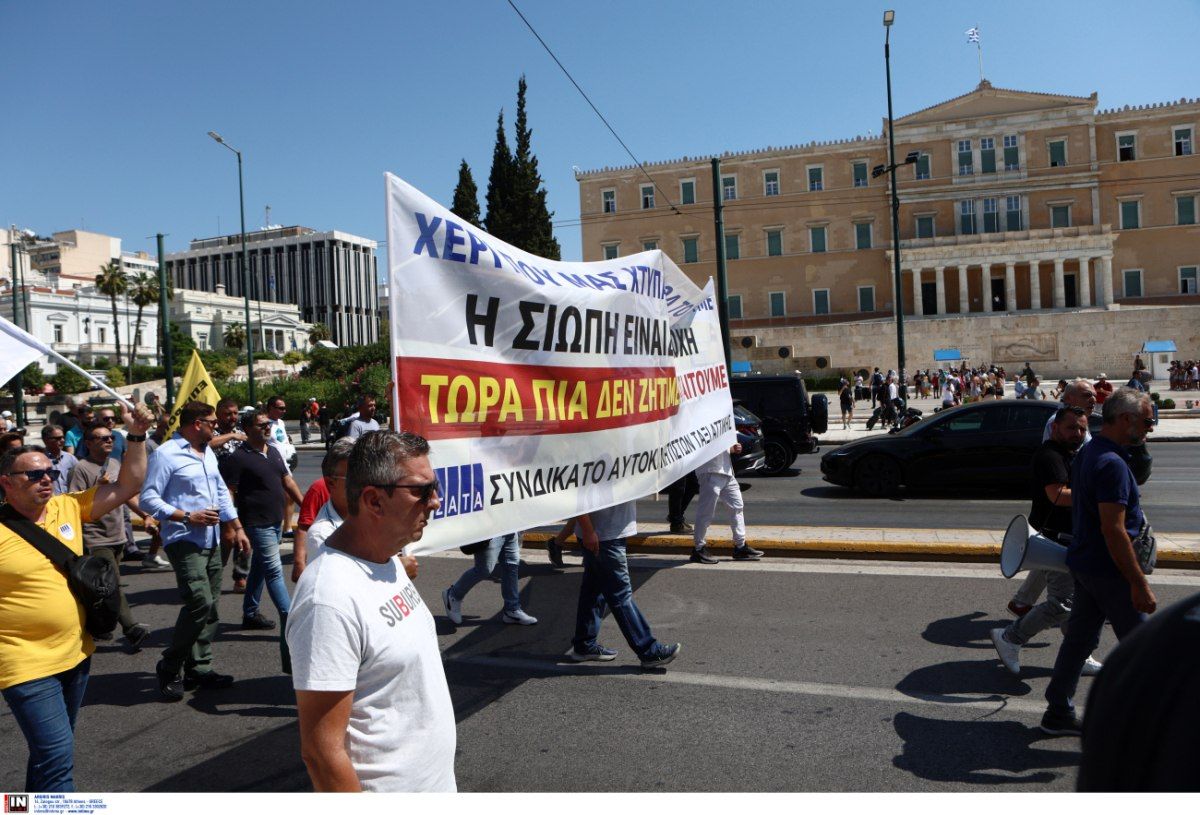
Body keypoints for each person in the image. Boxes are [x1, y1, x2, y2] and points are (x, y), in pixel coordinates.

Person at [288, 431, 456, 792]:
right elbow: (320, 751)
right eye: (421, 491)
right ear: (374, 501)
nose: (435, 502)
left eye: (434, 488)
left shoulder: (387, 557)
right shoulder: (328, 598)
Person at [0, 402, 152, 792]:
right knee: (57, 757)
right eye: (34, 475)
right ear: (6, 482)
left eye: (49, 472)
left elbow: (128, 486)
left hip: (76, 654)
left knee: (50, 754)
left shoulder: (67, 506)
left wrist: (134, 437)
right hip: (22, 662)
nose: (46, 479)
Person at [1040, 388, 1157, 736]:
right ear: (1126, 419)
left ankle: (1057, 711)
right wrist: (1138, 583)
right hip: (1110, 571)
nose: (1150, 429)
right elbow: (1114, 530)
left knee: (1078, 641)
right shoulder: (1112, 464)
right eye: (1148, 422)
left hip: (1087, 564)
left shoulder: (1092, 451)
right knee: (1144, 651)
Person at [140, 401, 251, 702]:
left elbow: (220, 493)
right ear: (196, 424)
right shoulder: (166, 454)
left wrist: (237, 527)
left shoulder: (208, 453)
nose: (217, 426)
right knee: (199, 601)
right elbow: (148, 499)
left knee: (211, 605)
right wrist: (187, 516)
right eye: (212, 422)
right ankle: (170, 665)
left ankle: (199, 668)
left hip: (211, 539)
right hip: (183, 537)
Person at [990, 408, 1102, 676]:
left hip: (1073, 539)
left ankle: (1080, 653)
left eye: (1082, 429)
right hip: (1055, 540)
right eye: (1071, 428)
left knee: (1082, 603)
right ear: (1055, 429)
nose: (1078, 433)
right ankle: (1010, 637)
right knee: (1063, 604)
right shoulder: (1049, 455)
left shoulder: (1071, 455)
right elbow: (1058, 495)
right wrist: (1097, 494)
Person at [66, 423, 153, 649]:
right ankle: (131, 628)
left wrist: (145, 515)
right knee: (111, 584)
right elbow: (72, 501)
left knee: (100, 588)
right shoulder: (81, 468)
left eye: (110, 438)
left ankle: (96, 627)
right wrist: (98, 485)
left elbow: (126, 495)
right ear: (87, 443)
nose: (108, 441)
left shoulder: (115, 464)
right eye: (100, 438)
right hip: (95, 537)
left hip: (117, 535)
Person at [219, 410, 305, 635]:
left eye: (268, 424)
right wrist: (233, 524)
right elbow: (229, 491)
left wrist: (306, 507)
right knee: (274, 572)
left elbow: (288, 481)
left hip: (275, 520)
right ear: (247, 430)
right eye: (262, 425)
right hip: (257, 523)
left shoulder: (274, 451)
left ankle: (250, 613)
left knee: (258, 566)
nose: (268, 427)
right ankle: (290, 618)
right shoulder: (238, 457)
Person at [568, 501, 681, 667]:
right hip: (603, 535)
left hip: (606, 532)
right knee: (620, 595)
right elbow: (576, 491)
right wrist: (588, 529)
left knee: (593, 591)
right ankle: (648, 650)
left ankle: (584, 645)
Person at [690, 441, 765, 565]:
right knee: (706, 512)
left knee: (737, 506)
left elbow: (723, 446)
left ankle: (740, 547)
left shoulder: (721, 422)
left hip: (727, 471)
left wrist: (732, 448)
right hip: (710, 471)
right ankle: (698, 549)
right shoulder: (699, 422)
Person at [443, 532, 537, 626]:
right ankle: (453, 595)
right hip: (491, 528)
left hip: (510, 527)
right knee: (484, 570)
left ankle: (512, 610)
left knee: (511, 566)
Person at [211, 397, 250, 591]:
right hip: (221, 494)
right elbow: (209, 443)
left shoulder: (242, 433)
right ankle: (215, 571)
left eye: (235, 413)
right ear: (218, 415)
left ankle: (240, 576)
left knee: (244, 536)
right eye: (228, 414)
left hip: (245, 492)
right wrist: (231, 437)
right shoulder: (211, 433)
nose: (233, 417)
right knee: (227, 538)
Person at [40, 425, 77, 496]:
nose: (62, 440)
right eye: (57, 438)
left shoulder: (70, 458)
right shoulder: (40, 460)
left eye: (63, 437)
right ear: (45, 440)